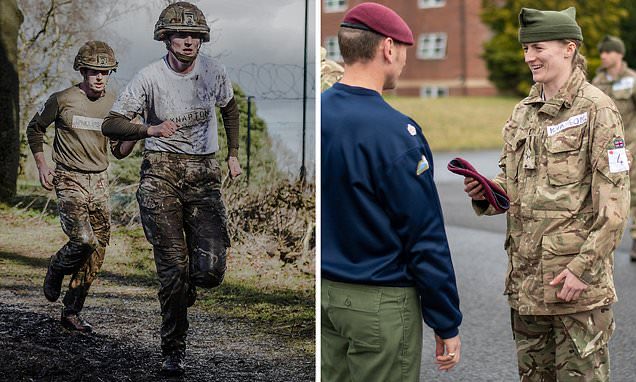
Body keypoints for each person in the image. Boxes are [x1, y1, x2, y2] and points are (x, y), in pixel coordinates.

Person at [463, 7, 629, 381]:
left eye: (537, 47)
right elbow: (511, 183)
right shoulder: (523, 113)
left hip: (576, 292)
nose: (528, 57)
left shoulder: (599, 111)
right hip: (527, 286)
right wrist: (486, 191)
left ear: (569, 48)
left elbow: (615, 207)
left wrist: (580, 271)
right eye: (525, 49)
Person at [321, 3, 462, 381]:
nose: (403, 61)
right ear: (387, 48)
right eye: (403, 51)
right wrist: (445, 321)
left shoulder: (317, 112)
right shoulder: (397, 134)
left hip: (324, 295)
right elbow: (423, 236)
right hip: (379, 304)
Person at [101, 1, 241, 377]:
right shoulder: (149, 78)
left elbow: (229, 108)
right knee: (172, 268)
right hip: (160, 173)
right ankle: (173, 352)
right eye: (180, 34)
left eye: (195, 35)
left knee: (210, 271)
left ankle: (189, 289)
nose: (188, 42)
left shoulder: (214, 72)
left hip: (204, 171)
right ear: (165, 37)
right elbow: (111, 126)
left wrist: (234, 154)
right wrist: (149, 129)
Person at [26, 41, 119, 333]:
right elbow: (35, 128)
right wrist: (42, 164)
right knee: (82, 240)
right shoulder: (62, 99)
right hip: (68, 177)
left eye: (105, 72)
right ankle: (56, 266)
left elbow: (118, 148)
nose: (99, 77)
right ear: (82, 70)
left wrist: (138, 130)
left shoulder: (115, 104)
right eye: (93, 71)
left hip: (100, 180)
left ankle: (72, 311)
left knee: (97, 249)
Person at [592, 35, 636, 262]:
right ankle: (602, 243)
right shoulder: (597, 82)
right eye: (602, 52)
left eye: (608, 52)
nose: (603, 56)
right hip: (608, 151)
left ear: (619, 54)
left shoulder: (632, 79)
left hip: (632, 146)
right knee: (605, 194)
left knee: (635, 195)